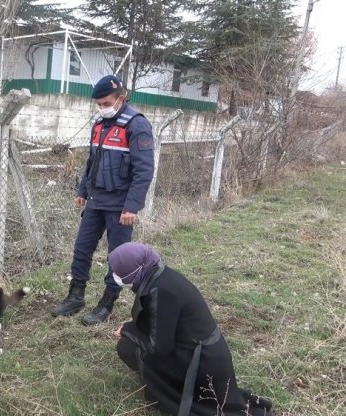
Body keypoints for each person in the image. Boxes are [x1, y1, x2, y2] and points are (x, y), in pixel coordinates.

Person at [110, 242, 273, 416]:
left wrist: (127, 330)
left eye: (120, 273)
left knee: (126, 347)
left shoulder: (161, 292)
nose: (116, 277)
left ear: (136, 271)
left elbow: (158, 348)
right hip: (210, 355)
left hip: (202, 364)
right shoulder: (162, 275)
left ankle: (168, 390)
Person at [52, 75, 155, 325]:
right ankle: (76, 296)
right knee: (82, 249)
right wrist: (81, 190)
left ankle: (106, 304)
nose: (101, 108)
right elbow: (92, 162)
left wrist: (132, 206)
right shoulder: (99, 124)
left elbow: (144, 170)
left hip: (121, 206)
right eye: (98, 104)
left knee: (117, 257)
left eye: (106, 103)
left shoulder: (136, 125)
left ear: (121, 98)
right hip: (96, 201)